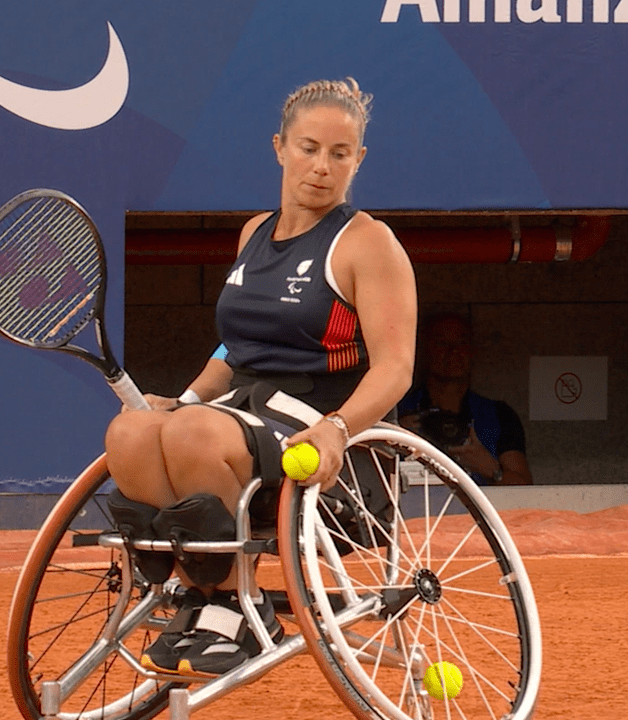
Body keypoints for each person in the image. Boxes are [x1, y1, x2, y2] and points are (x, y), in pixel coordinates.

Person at [102, 78, 416, 680]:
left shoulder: (367, 244)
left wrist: (336, 429)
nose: (322, 167)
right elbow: (236, 347)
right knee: (131, 432)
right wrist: (186, 398)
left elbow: (396, 368)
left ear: (359, 160)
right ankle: (197, 596)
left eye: (339, 154)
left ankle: (236, 609)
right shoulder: (252, 234)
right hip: (240, 413)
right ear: (279, 147)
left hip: (324, 433)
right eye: (308, 148)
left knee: (195, 435)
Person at [398, 312, 532, 486]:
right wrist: (398, 438)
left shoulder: (498, 415)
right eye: (441, 343)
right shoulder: (399, 412)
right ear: (424, 350)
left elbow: (525, 491)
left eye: (461, 342)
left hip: (481, 509)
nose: (453, 351)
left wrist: (490, 468)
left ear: (472, 351)